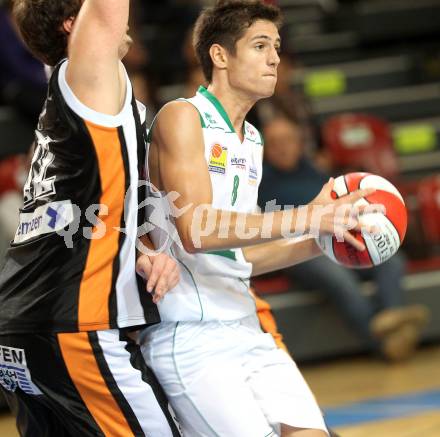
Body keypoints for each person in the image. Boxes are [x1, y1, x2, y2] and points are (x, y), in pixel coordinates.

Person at [140, 1, 378, 436]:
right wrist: (307, 216)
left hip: (247, 324)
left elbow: (238, 258)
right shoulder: (182, 117)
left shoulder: (250, 138)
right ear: (220, 56)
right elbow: (196, 231)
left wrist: (325, 239)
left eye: (277, 46)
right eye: (260, 45)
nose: (274, 58)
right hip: (192, 337)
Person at [0, 1, 181, 436]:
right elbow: (104, 11)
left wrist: (135, 250)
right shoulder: (88, 78)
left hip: (21, 329)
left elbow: (78, 217)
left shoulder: (63, 102)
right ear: (74, 26)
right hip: (71, 325)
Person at [258, 115, 429, 361]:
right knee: (340, 278)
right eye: (275, 142)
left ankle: (393, 320)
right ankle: (385, 341)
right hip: (298, 249)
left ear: (299, 142)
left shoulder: (315, 169)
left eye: (288, 140)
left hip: (339, 235)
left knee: (392, 260)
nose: (283, 147)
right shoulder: (261, 180)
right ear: (266, 149)